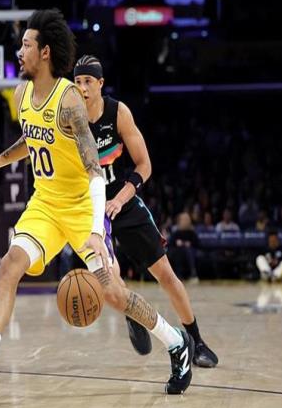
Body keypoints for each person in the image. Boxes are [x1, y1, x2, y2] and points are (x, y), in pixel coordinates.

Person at [0, 9, 193, 402]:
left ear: (45, 52)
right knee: (9, 266)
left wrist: (95, 230)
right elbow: (31, 140)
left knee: (114, 294)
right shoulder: (22, 94)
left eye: (27, 45)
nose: (20, 51)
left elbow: (95, 171)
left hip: (81, 209)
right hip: (45, 205)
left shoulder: (69, 100)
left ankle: (176, 342)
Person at [74, 55, 217, 367]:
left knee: (165, 274)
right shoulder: (70, 119)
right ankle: (133, 311)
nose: (82, 88)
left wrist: (119, 199)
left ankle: (197, 341)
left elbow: (144, 165)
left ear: (100, 84)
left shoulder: (118, 112)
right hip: (89, 211)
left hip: (123, 202)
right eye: (78, 81)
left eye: (88, 81)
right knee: (111, 281)